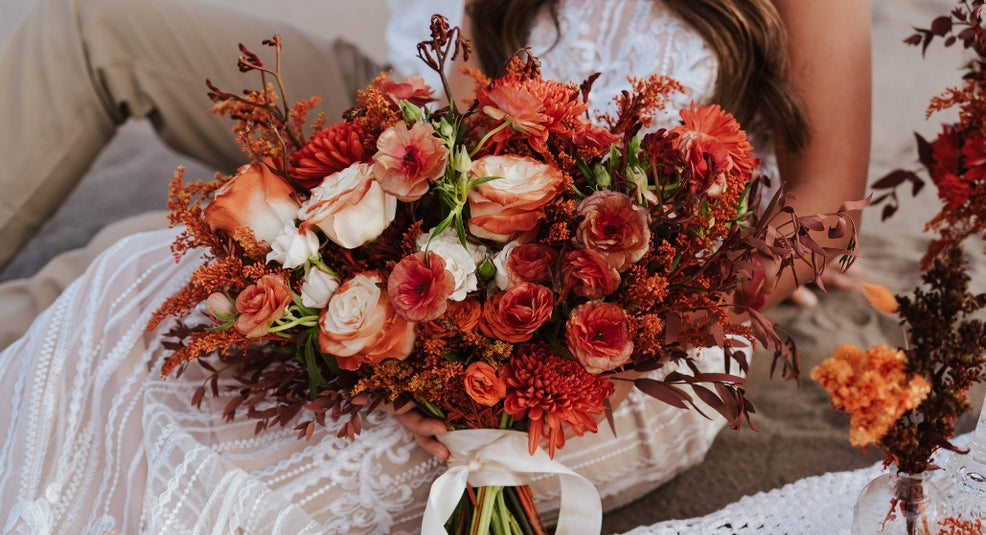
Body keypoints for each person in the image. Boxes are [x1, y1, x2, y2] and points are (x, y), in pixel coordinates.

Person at [0, 0, 870, 532]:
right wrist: (408, 342)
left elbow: (824, 208)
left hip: (648, 341)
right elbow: (455, 137)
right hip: (469, 283)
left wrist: (649, 329)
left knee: (261, 464)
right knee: (141, 296)